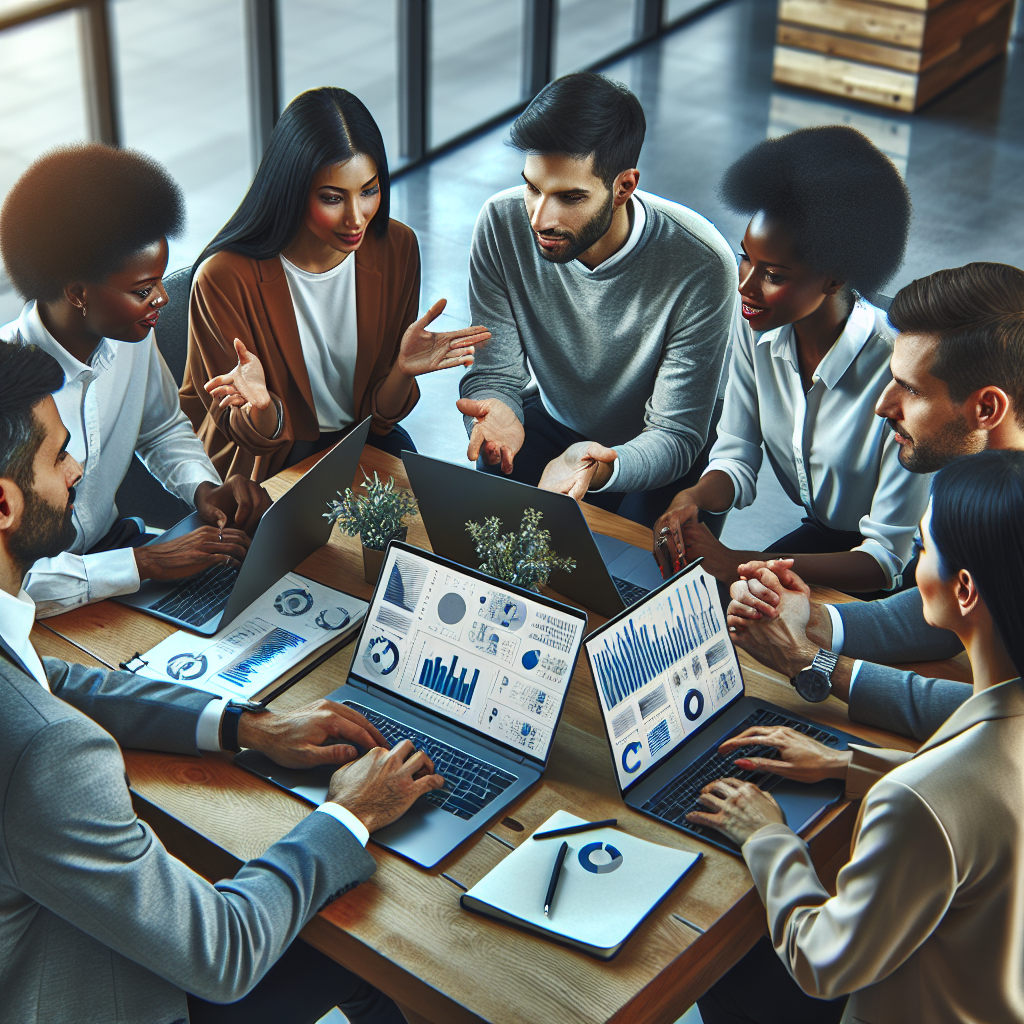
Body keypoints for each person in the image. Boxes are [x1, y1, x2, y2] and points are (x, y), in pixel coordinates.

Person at [0, 338, 443, 1023]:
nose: (79, 468)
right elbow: (223, 952)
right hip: (91, 994)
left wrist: (246, 723)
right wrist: (350, 813)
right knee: (362, 946)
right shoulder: (49, 758)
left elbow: (54, 684)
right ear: (4, 506)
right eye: (58, 455)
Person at [691, 449, 1024, 1024]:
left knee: (723, 961)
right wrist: (849, 765)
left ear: (964, 590)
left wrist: (767, 835)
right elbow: (982, 799)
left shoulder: (919, 801)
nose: (915, 567)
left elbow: (821, 962)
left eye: (923, 548)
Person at [726, 263, 1024, 740]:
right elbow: (961, 602)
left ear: (986, 409)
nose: (883, 405)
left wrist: (811, 661)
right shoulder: (980, 473)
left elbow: (1005, 721)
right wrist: (813, 622)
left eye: (910, 388)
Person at [0, 143, 270, 619]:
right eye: (143, 290)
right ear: (78, 293)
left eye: (162, 281)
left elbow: (161, 428)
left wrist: (204, 491)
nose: (163, 299)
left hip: (119, 556)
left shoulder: (132, 335)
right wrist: (141, 563)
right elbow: (9, 580)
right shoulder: (11, 392)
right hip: (39, 602)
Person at [457, 71, 737, 528]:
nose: (540, 218)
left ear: (623, 186)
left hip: (654, 447)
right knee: (489, 546)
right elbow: (495, 374)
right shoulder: (500, 223)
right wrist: (495, 409)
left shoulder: (701, 263)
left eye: (569, 197)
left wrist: (601, 465)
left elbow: (677, 433)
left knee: (637, 587)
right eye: (532, 187)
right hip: (552, 418)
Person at [653, 126, 924, 596]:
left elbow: (886, 560)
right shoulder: (756, 324)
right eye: (746, 259)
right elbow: (737, 453)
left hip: (911, 574)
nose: (746, 286)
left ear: (834, 278)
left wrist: (738, 561)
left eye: (773, 274)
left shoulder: (901, 372)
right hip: (825, 541)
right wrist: (692, 497)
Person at [180, 87, 490, 481]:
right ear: (292, 191)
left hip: (362, 440)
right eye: (332, 198)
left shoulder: (396, 248)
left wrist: (401, 371)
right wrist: (260, 405)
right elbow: (250, 439)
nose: (356, 218)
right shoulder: (223, 278)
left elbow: (379, 419)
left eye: (369, 191)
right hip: (269, 462)